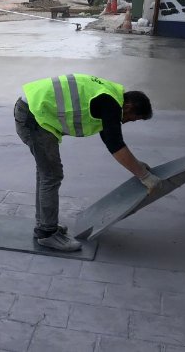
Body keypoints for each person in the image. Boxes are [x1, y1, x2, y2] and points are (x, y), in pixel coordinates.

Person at [14, 74, 158, 252]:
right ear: (128, 106)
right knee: (51, 175)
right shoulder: (111, 104)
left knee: (46, 173)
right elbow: (115, 143)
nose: (126, 122)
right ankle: (47, 233)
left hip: (33, 109)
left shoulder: (109, 96)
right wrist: (144, 176)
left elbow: (110, 138)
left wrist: (137, 164)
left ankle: (45, 224)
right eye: (131, 118)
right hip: (35, 114)